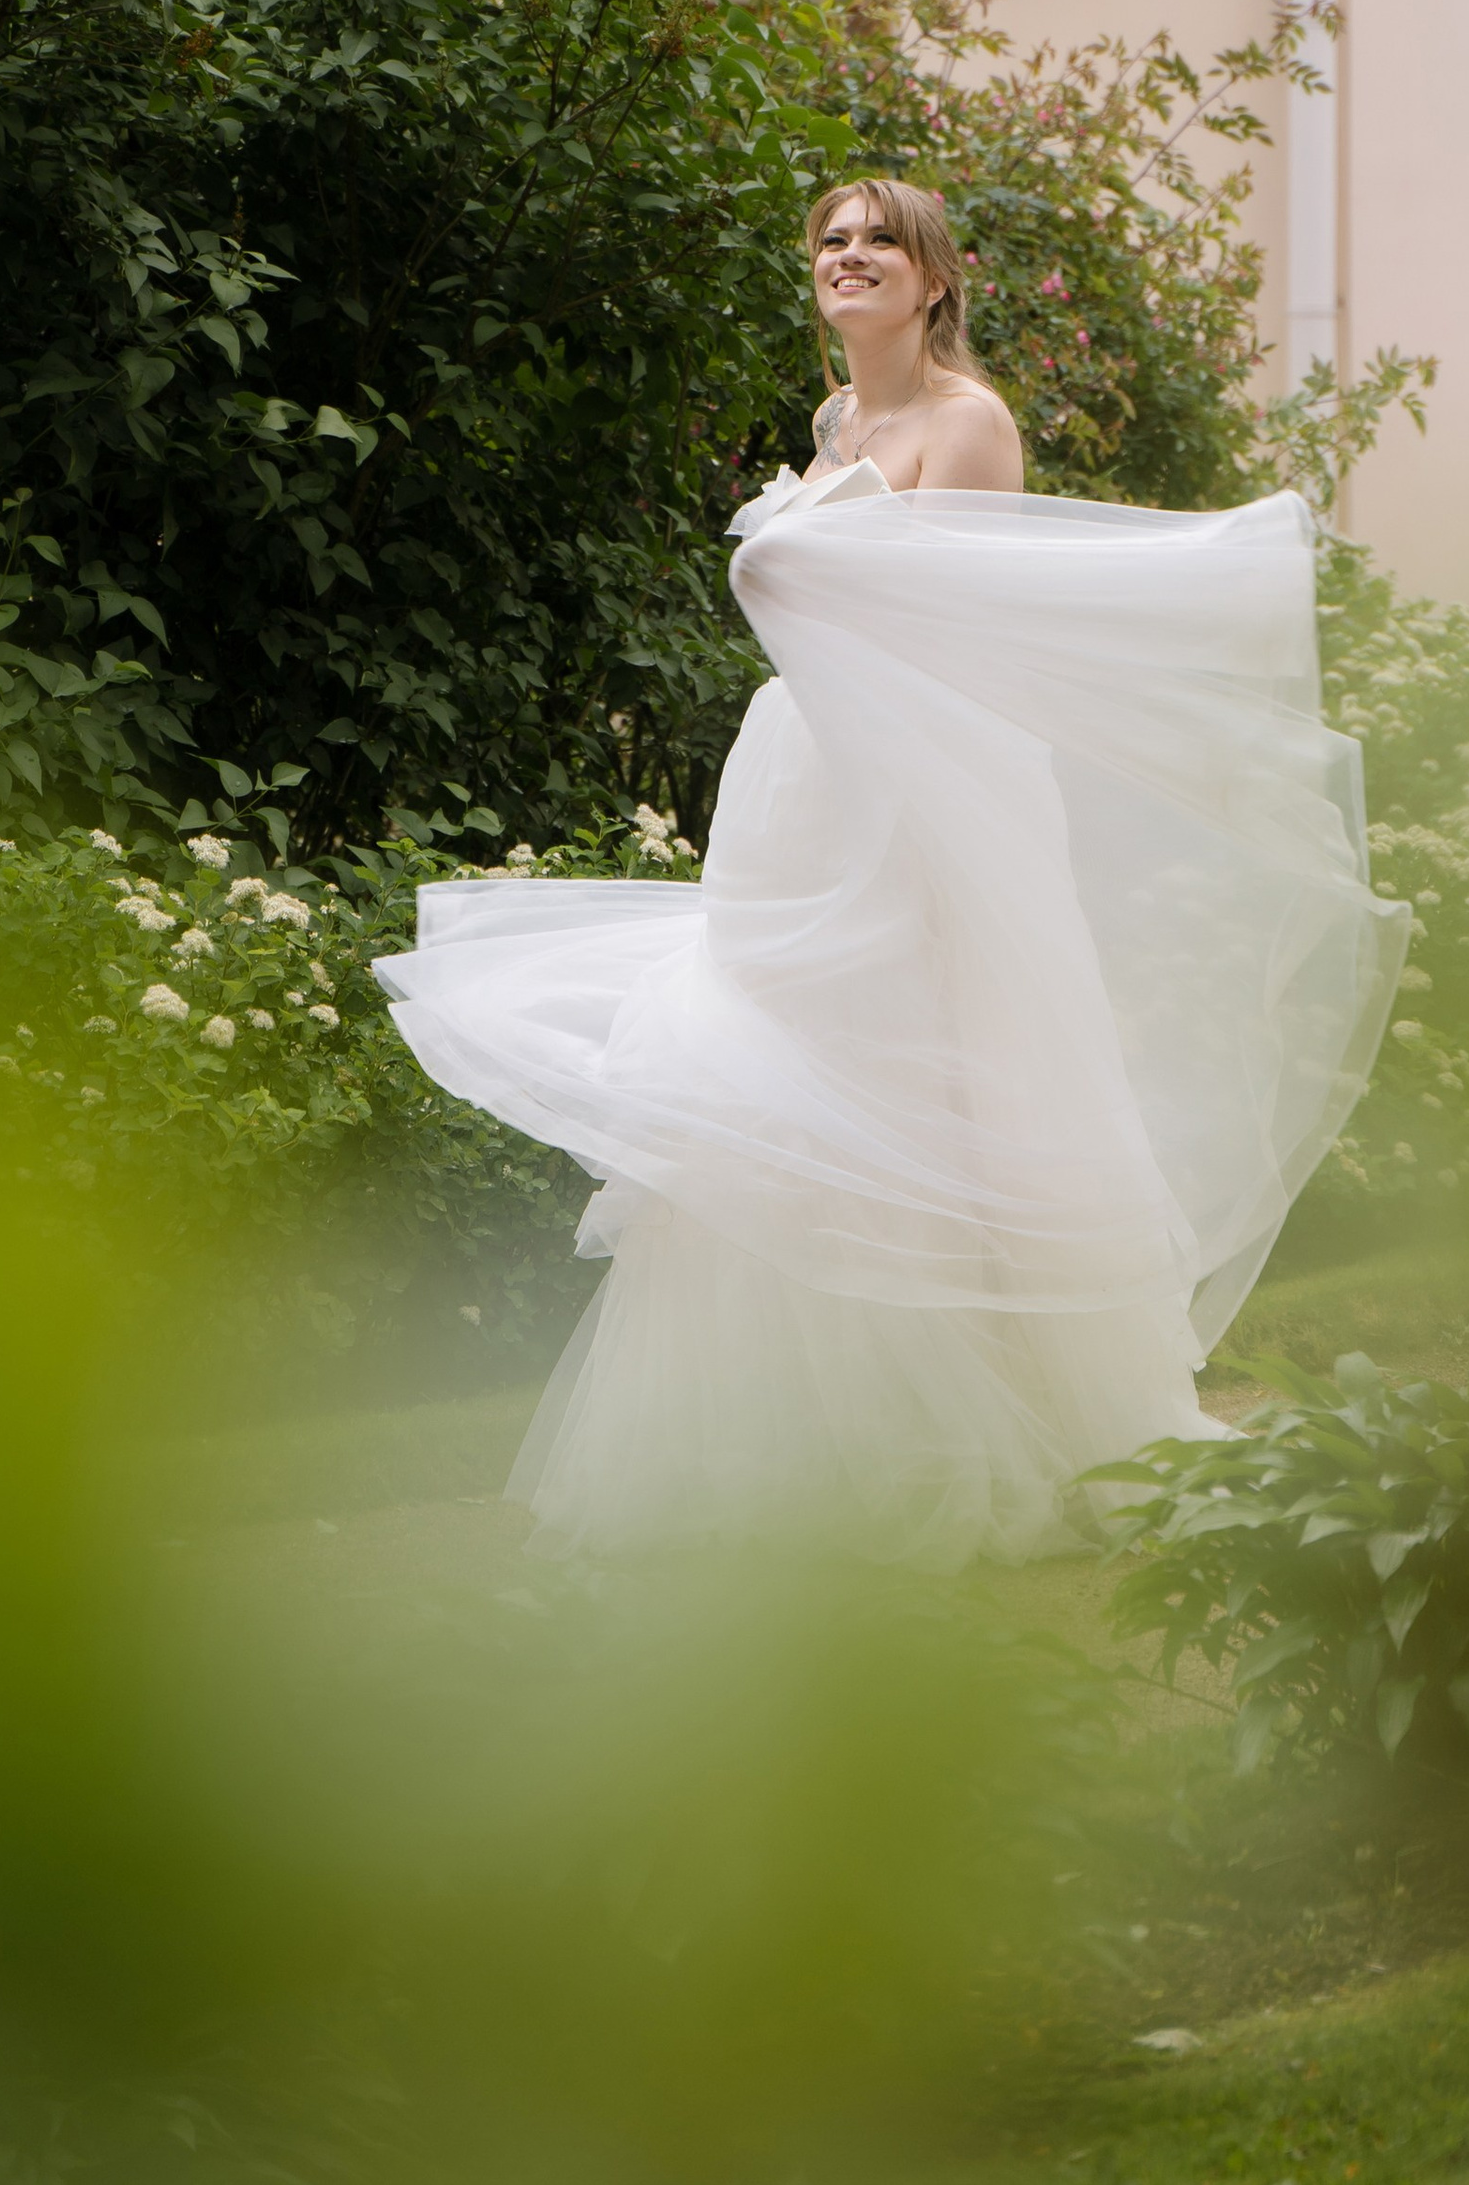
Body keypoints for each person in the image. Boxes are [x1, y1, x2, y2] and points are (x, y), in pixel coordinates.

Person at [373, 178, 1405, 1568]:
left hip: (912, 795)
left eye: (881, 243)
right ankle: (784, 1444)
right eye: (832, 241)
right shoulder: (834, 426)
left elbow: (976, 647)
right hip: (801, 783)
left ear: (934, 283)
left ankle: (988, 1434)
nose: (850, 258)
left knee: (926, 1085)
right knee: (774, 1084)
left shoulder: (968, 426)